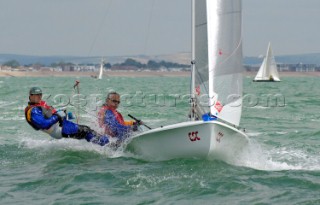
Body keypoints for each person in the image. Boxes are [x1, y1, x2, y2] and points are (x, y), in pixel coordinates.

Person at [25, 87, 109, 146]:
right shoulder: (33, 111)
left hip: (61, 125)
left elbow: (51, 116)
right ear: (30, 96)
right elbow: (44, 124)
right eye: (36, 95)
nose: (39, 96)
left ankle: (103, 142)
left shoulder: (41, 105)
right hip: (58, 130)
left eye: (40, 94)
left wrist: (65, 116)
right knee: (86, 131)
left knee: (87, 130)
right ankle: (106, 144)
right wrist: (58, 116)